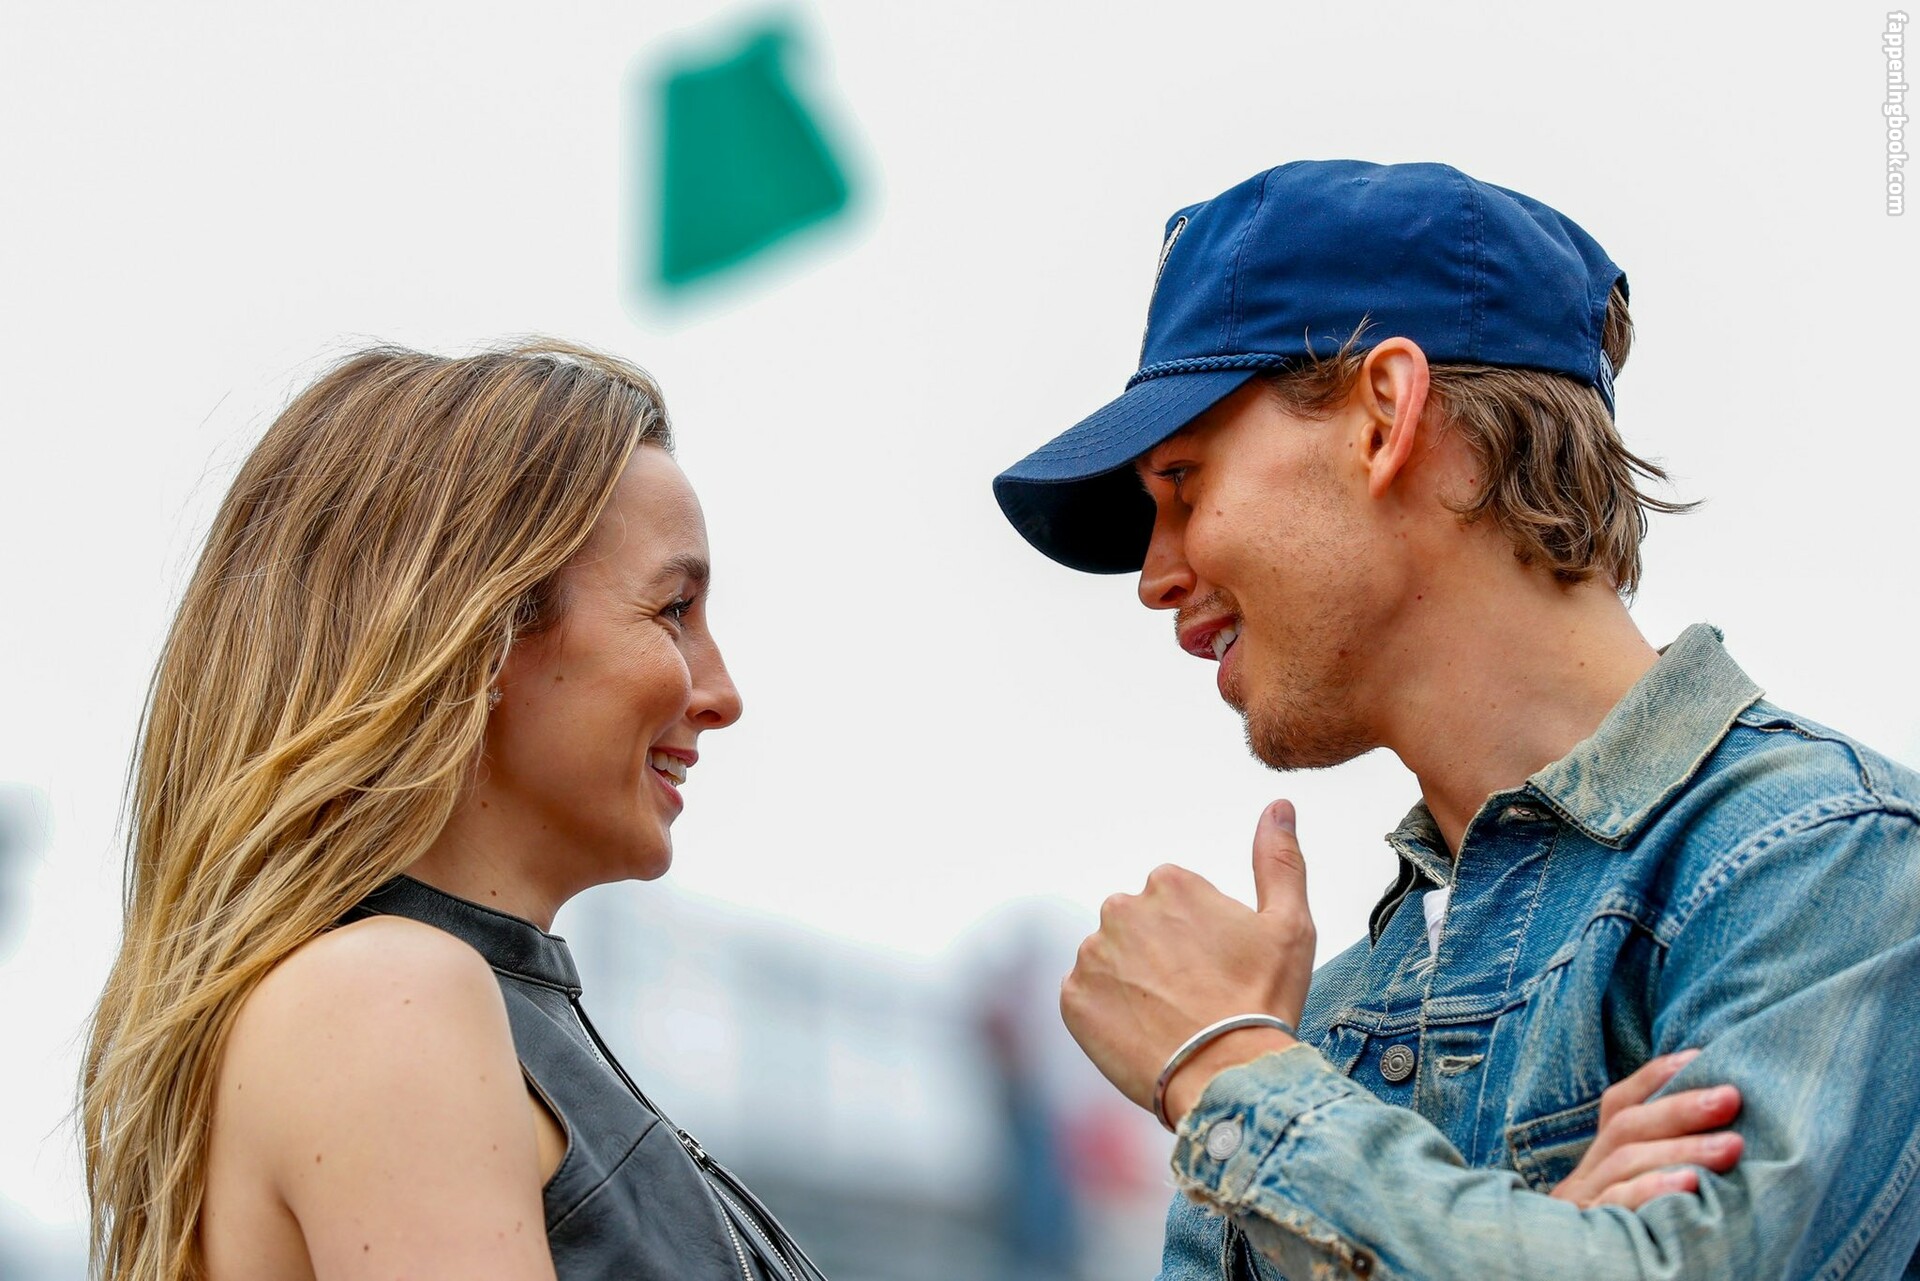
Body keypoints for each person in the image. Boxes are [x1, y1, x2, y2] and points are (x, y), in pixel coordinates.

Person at [992, 160, 1920, 1279]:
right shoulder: (1326, 1023)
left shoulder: (1825, 859)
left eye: (1183, 482)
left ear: (1386, 415)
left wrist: (1225, 1073)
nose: (1156, 576)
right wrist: (1548, 1241)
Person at [80, 342, 826, 1281]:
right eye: (674, 609)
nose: (721, 693)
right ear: (479, 629)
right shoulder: (386, 997)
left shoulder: (440, 1004)